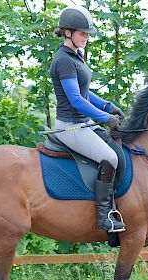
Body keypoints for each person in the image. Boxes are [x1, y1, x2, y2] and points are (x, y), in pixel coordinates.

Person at [50, 5, 126, 233]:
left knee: (118, 147)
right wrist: (105, 118)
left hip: (83, 123)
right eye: (82, 33)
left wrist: (108, 105)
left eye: (87, 34)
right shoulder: (64, 60)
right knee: (109, 157)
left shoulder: (76, 57)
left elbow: (85, 92)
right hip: (70, 127)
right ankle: (104, 218)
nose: (85, 37)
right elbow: (76, 100)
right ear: (67, 33)